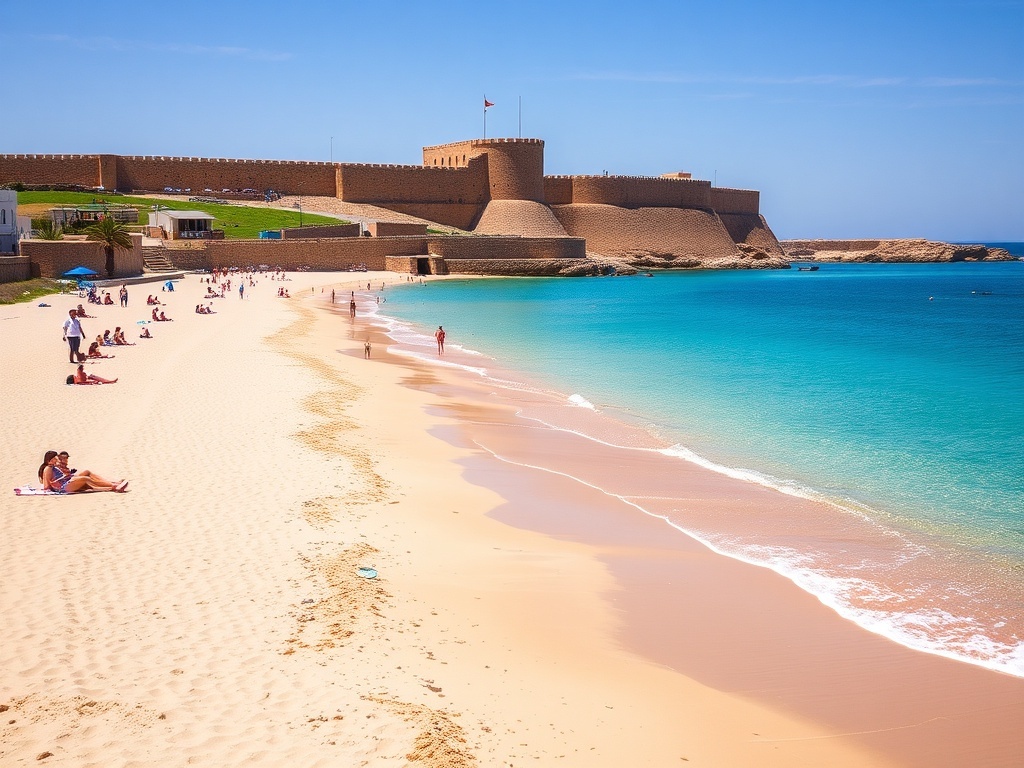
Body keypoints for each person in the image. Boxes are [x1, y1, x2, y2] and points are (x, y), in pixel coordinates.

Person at [38, 450, 128, 493]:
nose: (56, 459)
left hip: (66, 481)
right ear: (49, 459)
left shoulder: (52, 466)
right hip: (62, 487)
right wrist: (55, 486)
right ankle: (114, 487)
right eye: (54, 458)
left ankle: (111, 483)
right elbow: (47, 486)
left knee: (87, 472)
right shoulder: (48, 469)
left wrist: (67, 476)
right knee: (85, 479)